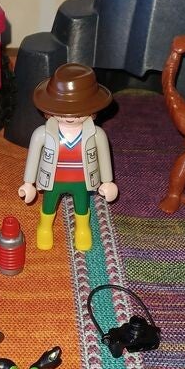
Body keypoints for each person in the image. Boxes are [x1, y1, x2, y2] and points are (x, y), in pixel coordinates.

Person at [18, 63, 118, 252]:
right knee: (48, 205)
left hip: (82, 181)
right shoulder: (43, 133)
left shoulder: (96, 134)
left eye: (79, 109)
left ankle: (82, 229)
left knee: (82, 206)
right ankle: (44, 227)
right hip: (53, 180)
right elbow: (33, 158)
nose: (70, 116)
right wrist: (28, 183)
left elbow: (104, 157)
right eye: (62, 108)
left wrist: (108, 181)